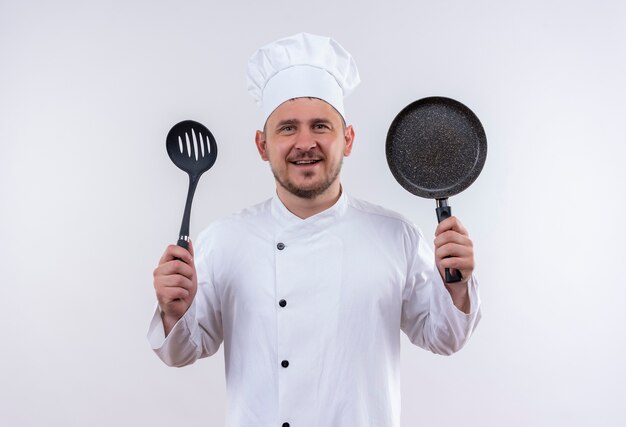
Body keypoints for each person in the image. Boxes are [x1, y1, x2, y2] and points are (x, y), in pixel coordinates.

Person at [148, 33, 481, 427]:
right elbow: (183, 351)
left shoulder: (396, 236)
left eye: (320, 126)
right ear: (262, 145)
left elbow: (443, 338)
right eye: (287, 129)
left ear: (348, 139)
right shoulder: (224, 240)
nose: (305, 143)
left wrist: (457, 286)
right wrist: (173, 311)